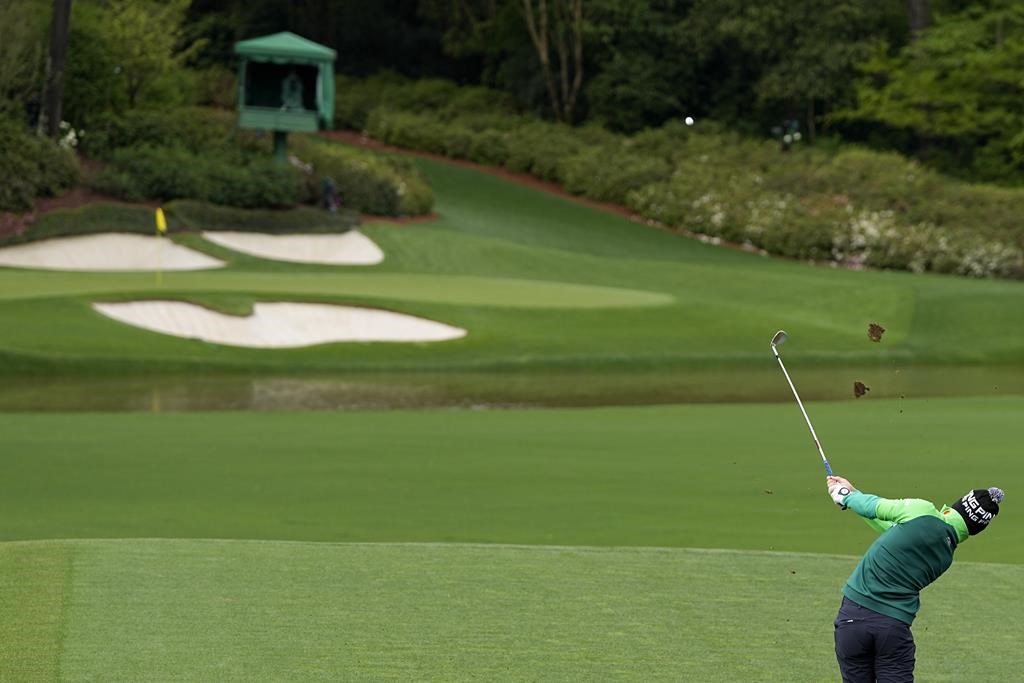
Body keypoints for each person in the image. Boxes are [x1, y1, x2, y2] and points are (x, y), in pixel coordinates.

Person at [826, 475, 1003, 682]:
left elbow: (874, 507)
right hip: (893, 627)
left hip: (852, 619)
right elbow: (893, 529)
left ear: (953, 508)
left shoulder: (921, 511)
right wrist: (854, 495)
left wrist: (846, 496)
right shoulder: (945, 556)